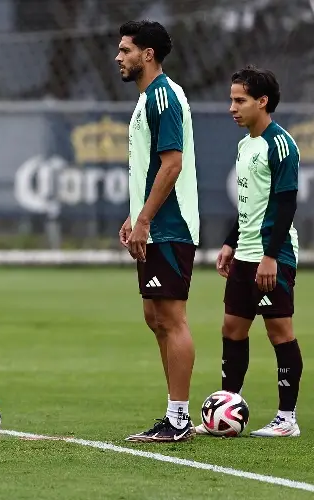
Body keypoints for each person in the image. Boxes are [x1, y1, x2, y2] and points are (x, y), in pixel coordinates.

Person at [196, 66, 303, 438]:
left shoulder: (281, 144)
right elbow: (248, 204)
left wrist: (270, 256)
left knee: (280, 332)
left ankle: (287, 419)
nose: (232, 107)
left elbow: (285, 205)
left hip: (273, 256)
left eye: (239, 100)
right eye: (231, 99)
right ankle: (228, 407)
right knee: (232, 328)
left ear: (263, 101)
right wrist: (230, 241)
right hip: (245, 254)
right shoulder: (245, 145)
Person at [115, 20, 200, 443]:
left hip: (171, 225)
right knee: (155, 317)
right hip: (155, 223)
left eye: (126, 49)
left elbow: (172, 164)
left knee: (171, 317)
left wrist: (146, 218)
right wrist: (135, 215)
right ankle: (174, 413)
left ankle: (179, 419)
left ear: (147, 55)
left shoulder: (164, 97)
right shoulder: (149, 97)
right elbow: (150, 167)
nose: (119, 57)